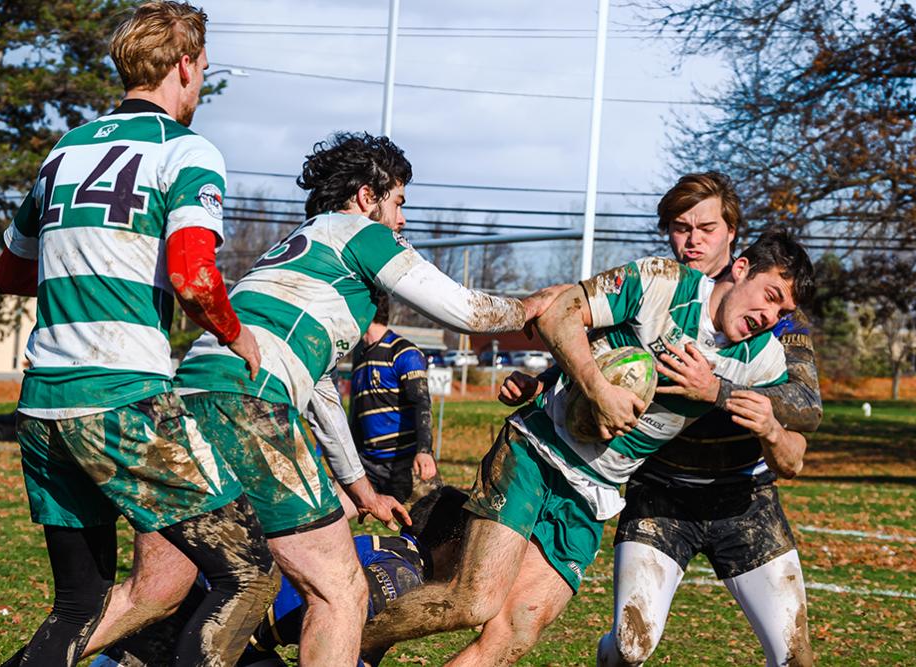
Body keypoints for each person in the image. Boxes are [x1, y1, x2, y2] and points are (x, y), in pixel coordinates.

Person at [81, 131, 568, 665]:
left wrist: (362, 492)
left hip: (183, 402)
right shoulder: (361, 232)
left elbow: (319, 392)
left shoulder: (296, 252)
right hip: (246, 404)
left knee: (154, 592)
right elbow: (465, 312)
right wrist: (531, 308)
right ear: (367, 195)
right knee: (340, 591)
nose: (402, 220)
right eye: (399, 202)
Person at [361, 226, 816, 665]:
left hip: (594, 492)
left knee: (516, 630)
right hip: (537, 452)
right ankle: (346, 644)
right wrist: (598, 390)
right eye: (770, 296)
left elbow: (795, 450)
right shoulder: (662, 282)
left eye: (782, 313)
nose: (769, 317)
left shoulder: (762, 356)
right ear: (740, 269)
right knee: (474, 602)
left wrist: (767, 427)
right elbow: (561, 312)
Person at [0, 3, 279, 665]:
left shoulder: (64, 151)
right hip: (122, 400)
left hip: (42, 407)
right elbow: (194, 278)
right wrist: (237, 336)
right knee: (249, 572)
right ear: (184, 64)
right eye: (202, 68)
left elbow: (12, 270)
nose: (201, 82)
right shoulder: (187, 150)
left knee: (79, 608)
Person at [502, 173, 820, 666]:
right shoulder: (661, 285)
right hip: (660, 489)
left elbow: (805, 405)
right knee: (630, 648)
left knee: (795, 655)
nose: (692, 241)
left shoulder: (774, 316)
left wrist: (716, 390)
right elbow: (603, 348)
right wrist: (544, 381)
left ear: (733, 237)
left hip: (742, 495)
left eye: (707, 228)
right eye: (679, 227)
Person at [89, 486, 471, 667]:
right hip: (219, 631)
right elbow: (342, 641)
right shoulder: (404, 576)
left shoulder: (381, 543)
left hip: (205, 600)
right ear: (455, 547)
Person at [350, 293, 439, 503]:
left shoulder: (403, 352)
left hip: (406, 464)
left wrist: (424, 451)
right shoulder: (359, 357)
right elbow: (355, 416)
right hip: (367, 467)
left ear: (364, 312)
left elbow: (422, 403)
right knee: (330, 520)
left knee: (434, 528)